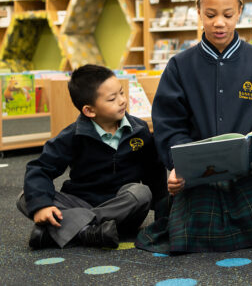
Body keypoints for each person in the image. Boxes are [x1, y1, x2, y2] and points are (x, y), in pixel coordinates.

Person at [136, 0, 252, 253]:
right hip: (199, 176)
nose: (219, 22)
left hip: (250, 173)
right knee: (190, 232)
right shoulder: (179, 66)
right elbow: (169, 125)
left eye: (227, 14)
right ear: (198, 12)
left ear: (240, 12)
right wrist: (178, 165)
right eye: (210, 15)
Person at [18, 64, 165, 249]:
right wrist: (41, 205)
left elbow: (155, 172)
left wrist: (163, 214)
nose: (122, 100)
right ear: (89, 110)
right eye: (112, 99)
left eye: (121, 92)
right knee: (26, 197)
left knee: (141, 193)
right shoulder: (73, 136)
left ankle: (68, 230)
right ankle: (89, 233)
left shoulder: (139, 130)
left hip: (121, 208)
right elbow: (40, 168)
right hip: (80, 201)